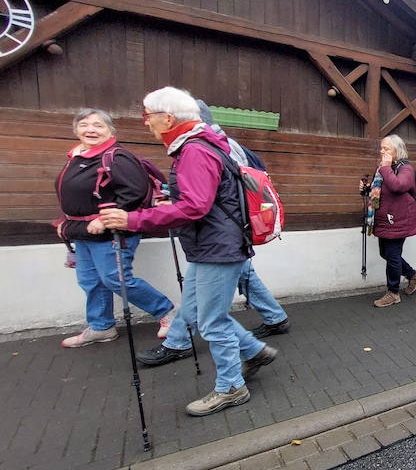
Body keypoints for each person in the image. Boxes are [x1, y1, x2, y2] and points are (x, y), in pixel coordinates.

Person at [99, 87, 278, 417]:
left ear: (168, 118)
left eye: (148, 116)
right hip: (212, 246)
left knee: (212, 322)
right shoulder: (199, 145)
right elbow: (204, 200)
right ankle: (253, 351)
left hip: (216, 248)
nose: (146, 123)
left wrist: (133, 219)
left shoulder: (195, 150)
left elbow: (196, 207)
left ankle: (231, 387)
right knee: (200, 313)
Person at [55, 109, 177, 348]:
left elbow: (135, 191)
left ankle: (169, 313)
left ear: (110, 131)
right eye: (84, 124)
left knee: (116, 278)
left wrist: (104, 219)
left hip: (112, 231)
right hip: (82, 231)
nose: (90, 130)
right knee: (90, 280)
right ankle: (101, 327)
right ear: (76, 129)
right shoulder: (76, 157)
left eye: (98, 125)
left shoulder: (117, 157)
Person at [196, 100, 290, 338]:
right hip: (229, 224)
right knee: (241, 271)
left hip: (227, 224)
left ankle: (182, 337)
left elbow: (226, 189)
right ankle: (274, 318)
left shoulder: (217, 146)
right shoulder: (221, 143)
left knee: (233, 272)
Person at [359, 134, 416, 308]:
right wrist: (367, 189)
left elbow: (398, 186)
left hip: (399, 220)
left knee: (393, 256)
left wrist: (385, 168)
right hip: (383, 219)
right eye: (381, 148)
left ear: (397, 151)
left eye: (386, 148)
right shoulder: (383, 168)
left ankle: (393, 293)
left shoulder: (406, 168)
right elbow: (380, 192)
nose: (382, 151)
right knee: (385, 254)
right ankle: (413, 275)